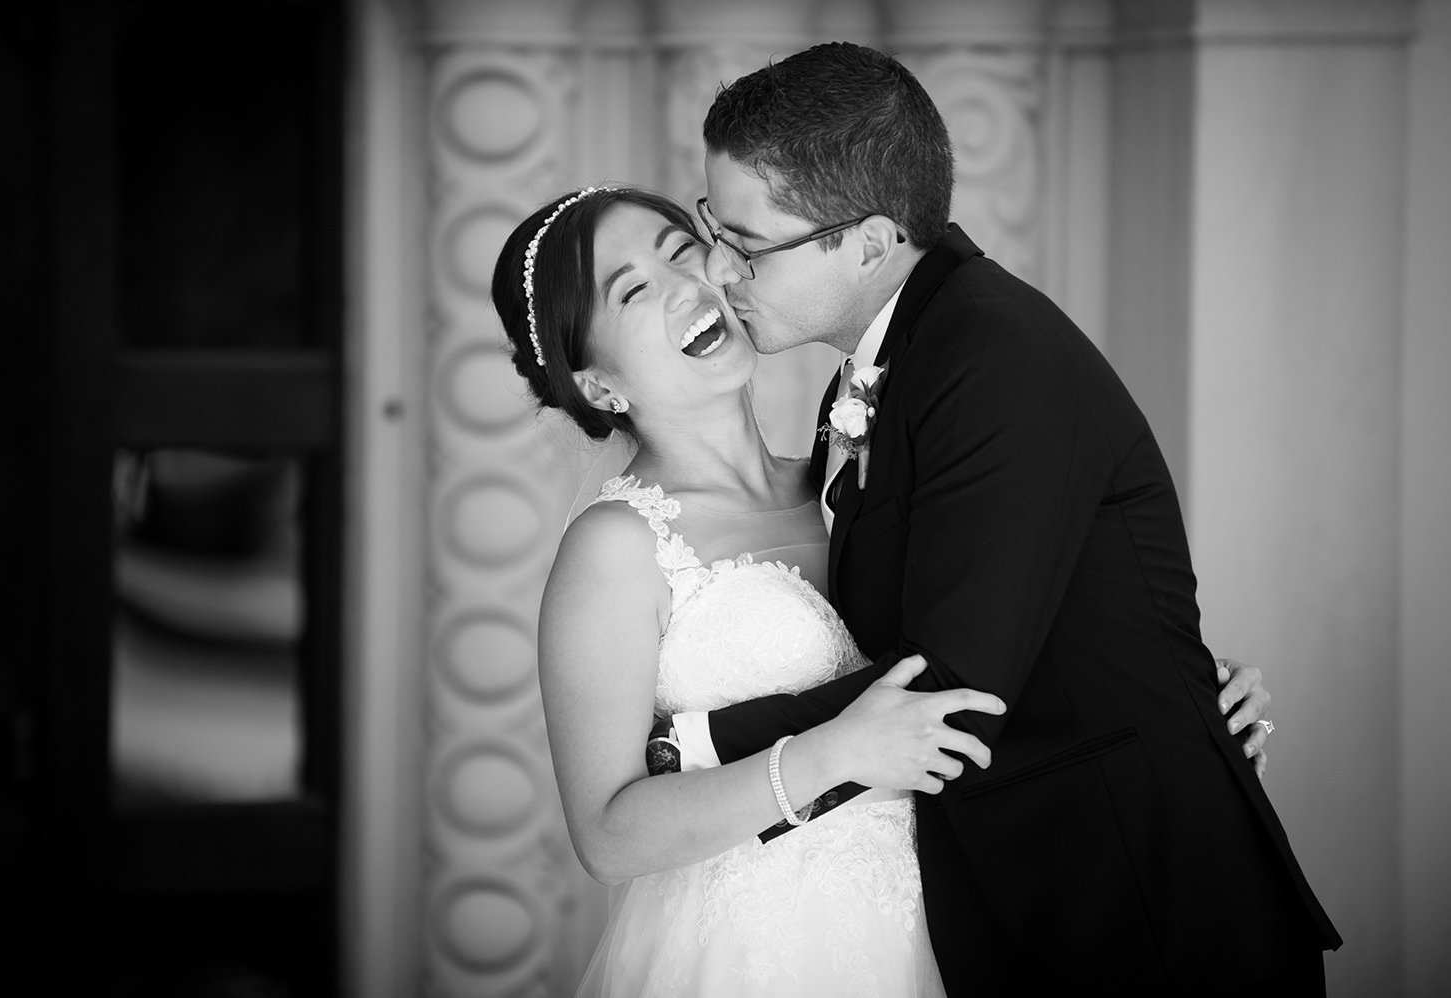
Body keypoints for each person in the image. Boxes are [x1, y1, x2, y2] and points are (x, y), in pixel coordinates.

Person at [656, 41, 1341, 993]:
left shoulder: (994, 357)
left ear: (867, 241)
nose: (721, 271)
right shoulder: (882, 371)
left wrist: (694, 745)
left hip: (1143, 908)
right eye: (712, 228)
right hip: (1031, 891)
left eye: (749, 242)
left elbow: (954, 686)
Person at [491, 185, 1278, 995]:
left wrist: (1171, 688)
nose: (689, 283)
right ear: (597, 387)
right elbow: (609, 835)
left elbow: (985, 635)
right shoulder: (616, 549)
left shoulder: (851, 470)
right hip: (770, 943)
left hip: (956, 921)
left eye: (682, 248)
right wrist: (828, 755)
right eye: (635, 288)